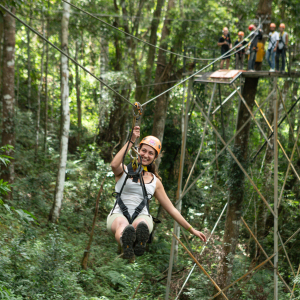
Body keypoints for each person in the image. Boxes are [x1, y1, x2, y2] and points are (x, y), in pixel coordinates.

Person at [108, 127, 207, 259]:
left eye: (151, 153)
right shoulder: (124, 171)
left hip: (142, 216)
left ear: (154, 158)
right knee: (122, 224)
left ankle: (139, 239)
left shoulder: (155, 182)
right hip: (118, 214)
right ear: (137, 150)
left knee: (141, 224)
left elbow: (172, 209)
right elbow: (114, 165)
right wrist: (131, 141)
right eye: (143, 150)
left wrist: (191, 229)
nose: (146, 155)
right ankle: (126, 243)